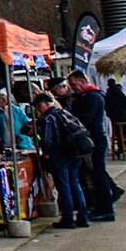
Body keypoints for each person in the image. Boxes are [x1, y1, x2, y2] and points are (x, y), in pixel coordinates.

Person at [66, 70, 121, 222]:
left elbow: (86, 119)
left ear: (82, 82)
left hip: (95, 139)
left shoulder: (93, 97)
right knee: (96, 175)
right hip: (93, 139)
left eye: (74, 85)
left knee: (99, 174)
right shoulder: (86, 97)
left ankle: (106, 210)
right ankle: (101, 207)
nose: (73, 88)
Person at [32, 92, 90, 229]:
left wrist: (46, 153)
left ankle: (68, 218)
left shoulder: (48, 118)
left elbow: (46, 140)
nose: (39, 110)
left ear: (46, 104)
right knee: (75, 184)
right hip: (74, 154)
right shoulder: (64, 113)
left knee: (64, 187)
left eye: (39, 107)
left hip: (60, 155)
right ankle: (82, 216)